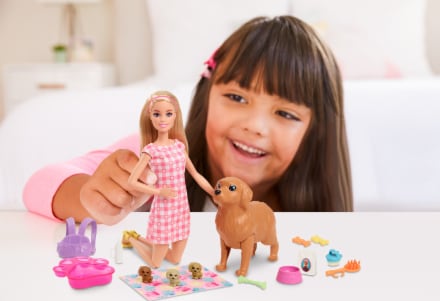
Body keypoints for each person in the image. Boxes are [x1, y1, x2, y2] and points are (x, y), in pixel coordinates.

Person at [23, 15, 353, 225]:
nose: (255, 126)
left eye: (285, 113)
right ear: (206, 95)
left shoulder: (313, 212)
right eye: (237, 97)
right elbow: (39, 183)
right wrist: (89, 197)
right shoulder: (157, 156)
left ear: (315, 130)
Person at [122, 91, 213, 267]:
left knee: (174, 259)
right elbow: (132, 181)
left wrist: (212, 192)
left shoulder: (179, 146)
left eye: (168, 114)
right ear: (151, 117)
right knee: (155, 264)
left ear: (175, 116)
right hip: (163, 209)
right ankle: (132, 240)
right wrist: (158, 191)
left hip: (181, 208)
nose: (163, 119)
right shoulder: (150, 150)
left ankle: (137, 236)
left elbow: (194, 174)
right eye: (157, 114)